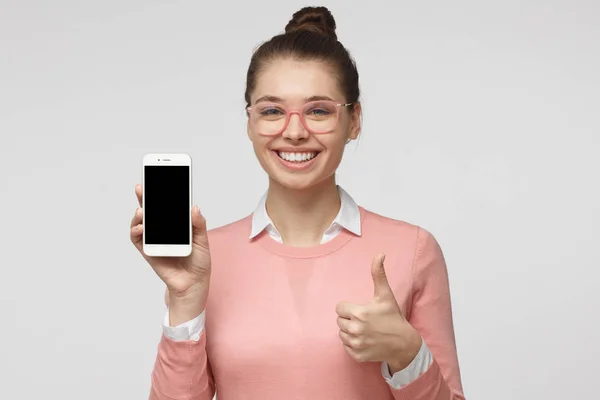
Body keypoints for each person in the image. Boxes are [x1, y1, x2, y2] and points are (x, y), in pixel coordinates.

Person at [130, 6, 465, 400]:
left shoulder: (412, 251)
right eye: (272, 111)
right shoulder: (203, 259)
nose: (293, 131)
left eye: (318, 110)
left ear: (354, 120)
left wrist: (408, 354)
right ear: (250, 122)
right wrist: (186, 302)